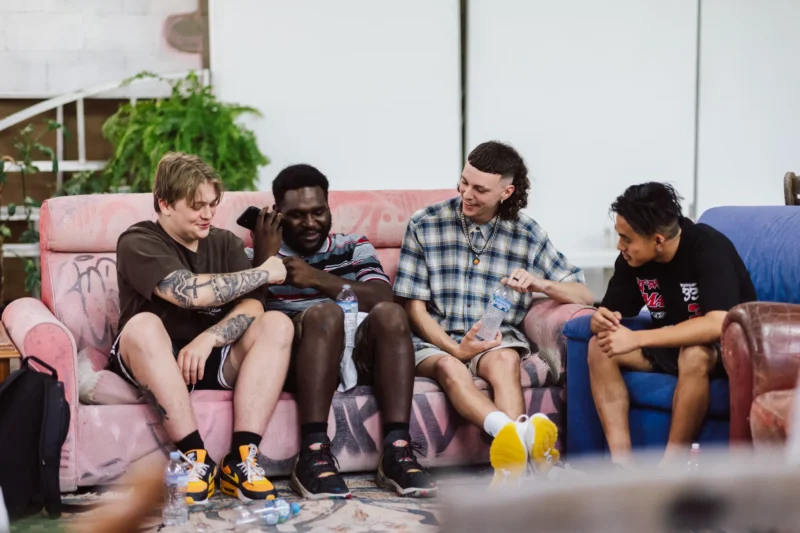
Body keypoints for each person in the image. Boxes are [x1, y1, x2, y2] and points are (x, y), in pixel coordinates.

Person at [392, 141, 594, 485]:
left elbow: (583, 293)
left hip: (494, 338)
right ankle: (518, 439)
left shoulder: (526, 233)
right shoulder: (425, 223)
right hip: (435, 339)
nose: (467, 194)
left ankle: (511, 469)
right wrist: (456, 349)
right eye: (464, 182)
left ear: (506, 192)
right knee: (449, 367)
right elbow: (414, 308)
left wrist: (539, 283)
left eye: (480, 189)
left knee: (505, 361)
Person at [108, 152, 294, 504]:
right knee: (143, 325)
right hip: (153, 358)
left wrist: (209, 338)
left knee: (277, 323)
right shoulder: (137, 241)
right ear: (165, 204)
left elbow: (253, 306)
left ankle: (241, 459)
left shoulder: (224, 242)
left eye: (212, 204)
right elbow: (190, 293)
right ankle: (195, 458)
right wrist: (264, 271)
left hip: (211, 356)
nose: (208, 214)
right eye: (197, 206)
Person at [247, 164, 437, 499]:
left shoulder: (352, 246)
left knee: (392, 314)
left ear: (329, 207)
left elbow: (383, 296)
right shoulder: (256, 255)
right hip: (298, 360)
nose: (310, 223)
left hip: (357, 354)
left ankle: (397, 451)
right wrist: (264, 260)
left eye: (318, 212)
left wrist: (317, 278)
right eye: (297, 215)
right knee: (326, 315)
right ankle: (312, 454)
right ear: (277, 213)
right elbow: (249, 317)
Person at [588, 182, 756, 468]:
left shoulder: (707, 247)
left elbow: (719, 324)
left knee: (694, 353)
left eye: (626, 239)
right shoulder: (633, 259)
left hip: (729, 350)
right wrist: (599, 320)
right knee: (599, 347)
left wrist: (638, 339)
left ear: (658, 240)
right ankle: (621, 467)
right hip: (671, 344)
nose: (620, 246)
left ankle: (670, 467)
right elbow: (609, 312)